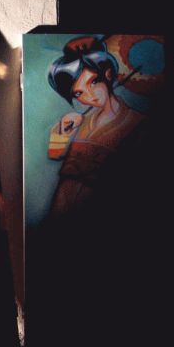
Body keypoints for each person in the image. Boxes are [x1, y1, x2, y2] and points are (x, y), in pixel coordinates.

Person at [47, 36, 145, 217]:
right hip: (60, 211)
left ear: (107, 74)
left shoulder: (136, 122)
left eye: (93, 82)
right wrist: (62, 132)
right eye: (79, 93)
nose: (90, 96)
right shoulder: (81, 121)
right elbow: (54, 154)